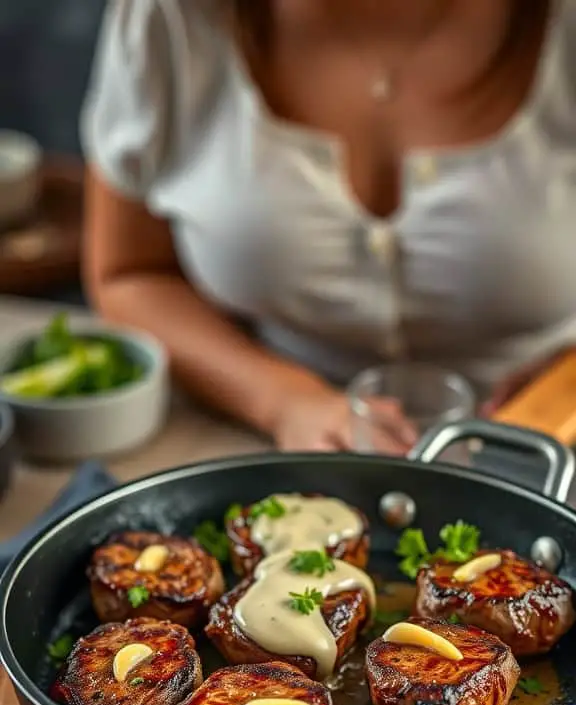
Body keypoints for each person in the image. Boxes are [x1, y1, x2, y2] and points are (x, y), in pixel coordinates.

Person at [82, 0, 576, 454]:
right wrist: (284, 399)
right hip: (249, 435)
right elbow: (130, 275)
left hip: (552, 443)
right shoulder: (170, 16)